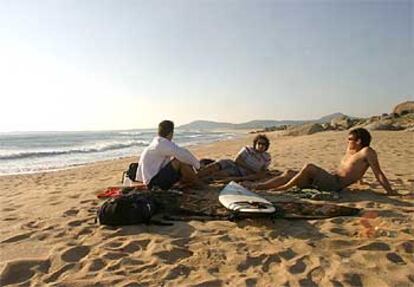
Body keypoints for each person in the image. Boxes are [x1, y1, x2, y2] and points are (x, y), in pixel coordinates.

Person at [247, 128, 398, 195]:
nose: (348, 141)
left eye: (350, 139)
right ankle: (258, 187)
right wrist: (361, 181)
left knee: (309, 167)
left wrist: (390, 191)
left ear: (359, 141)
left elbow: (378, 173)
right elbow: (355, 169)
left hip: (335, 185)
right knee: (289, 172)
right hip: (329, 179)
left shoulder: (367, 151)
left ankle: (283, 189)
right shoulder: (351, 151)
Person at [135, 120, 201, 190]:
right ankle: (198, 183)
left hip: (149, 180)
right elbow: (184, 154)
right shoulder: (162, 144)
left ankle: (188, 181)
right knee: (179, 160)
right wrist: (198, 166)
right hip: (154, 184)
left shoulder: (156, 143)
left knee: (179, 159)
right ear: (171, 133)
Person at [198, 134, 272, 181]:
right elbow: (237, 160)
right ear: (255, 143)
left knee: (220, 174)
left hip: (240, 172)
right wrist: (250, 169)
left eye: (263, 144)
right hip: (234, 164)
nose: (261, 146)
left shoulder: (266, 157)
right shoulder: (248, 149)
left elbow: (262, 172)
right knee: (216, 165)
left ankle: (200, 180)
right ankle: (196, 176)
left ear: (266, 146)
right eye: (259, 143)